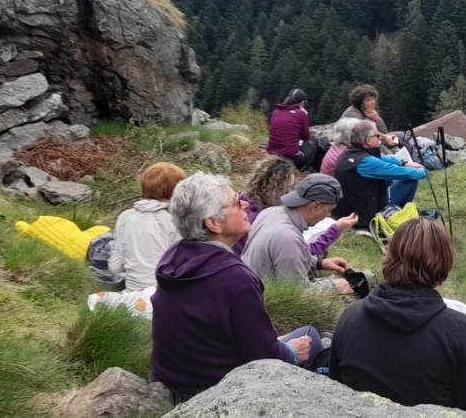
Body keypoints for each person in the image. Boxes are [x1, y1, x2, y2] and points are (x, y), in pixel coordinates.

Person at [150, 173, 325, 403]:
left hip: (175, 380)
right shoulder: (235, 279)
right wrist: (291, 352)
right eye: (235, 202)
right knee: (311, 336)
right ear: (213, 223)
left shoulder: (174, 257)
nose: (245, 204)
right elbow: (264, 357)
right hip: (219, 390)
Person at [329, 219, 466, 418]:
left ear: (390, 255)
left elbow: (334, 386)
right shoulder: (457, 329)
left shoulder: (351, 315)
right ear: (444, 262)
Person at [240, 174, 360, 294]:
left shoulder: (271, 212)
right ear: (315, 207)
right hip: (262, 299)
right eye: (330, 210)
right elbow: (296, 293)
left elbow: (280, 259)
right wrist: (332, 287)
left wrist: (318, 263)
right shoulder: (288, 238)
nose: (328, 215)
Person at [335, 120, 428, 233]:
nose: (381, 138)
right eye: (377, 135)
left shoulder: (350, 154)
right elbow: (402, 172)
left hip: (350, 208)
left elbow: (382, 159)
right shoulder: (366, 162)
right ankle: (395, 213)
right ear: (369, 140)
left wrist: (403, 162)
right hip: (364, 214)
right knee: (410, 179)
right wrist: (423, 171)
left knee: (389, 179)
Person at [109, 162, 186, 292]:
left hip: (132, 294)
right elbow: (183, 268)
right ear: (178, 190)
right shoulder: (175, 221)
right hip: (167, 294)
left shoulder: (125, 217)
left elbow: (114, 268)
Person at [231, 155, 300, 254]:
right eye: (288, 188)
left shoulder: (241, 199)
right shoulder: (260, 218)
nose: (290, 192)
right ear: (276, 188)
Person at [266, 88, 316, 171]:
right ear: (302, 102)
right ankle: (305, 169)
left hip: (272, 153)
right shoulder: (301, 114)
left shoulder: (276, 112)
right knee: (313, 140)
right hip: (291, 157)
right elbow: (306, 136)